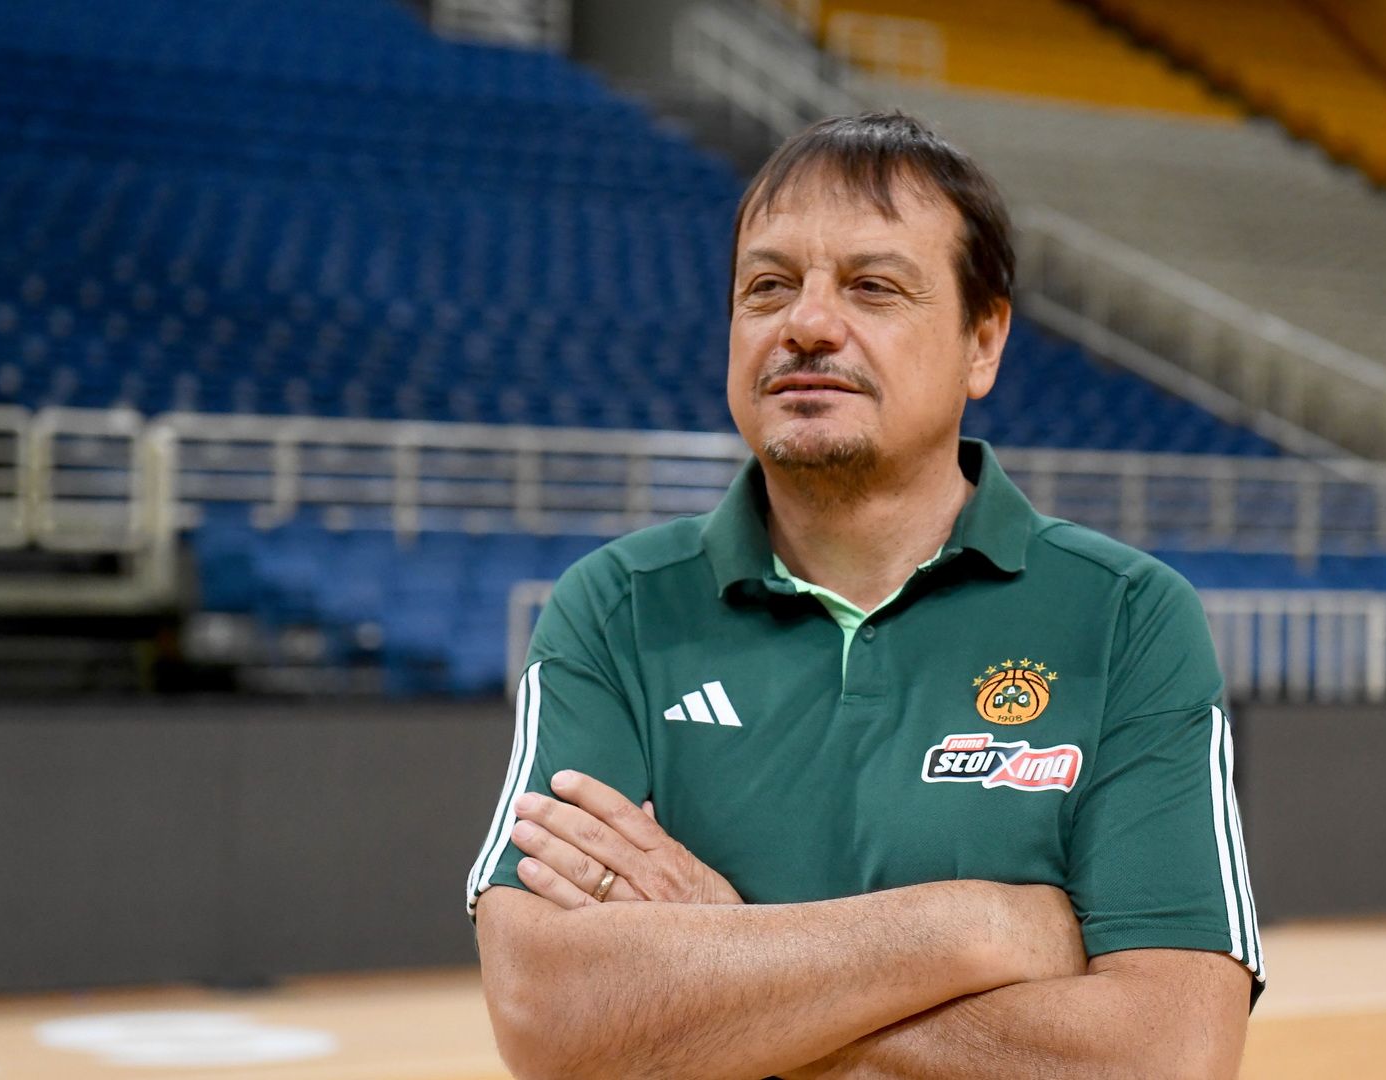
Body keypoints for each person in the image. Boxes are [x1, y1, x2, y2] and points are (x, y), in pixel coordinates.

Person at [466, 110, 1263, 1080]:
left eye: (872, 287)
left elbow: (1170, 1056)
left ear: (983, 341)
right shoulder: (615, 609)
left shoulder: (1128, 618)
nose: (805, 325)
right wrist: (976, 927)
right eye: (767, 287)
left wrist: (729, 971)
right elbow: (546, 1017)